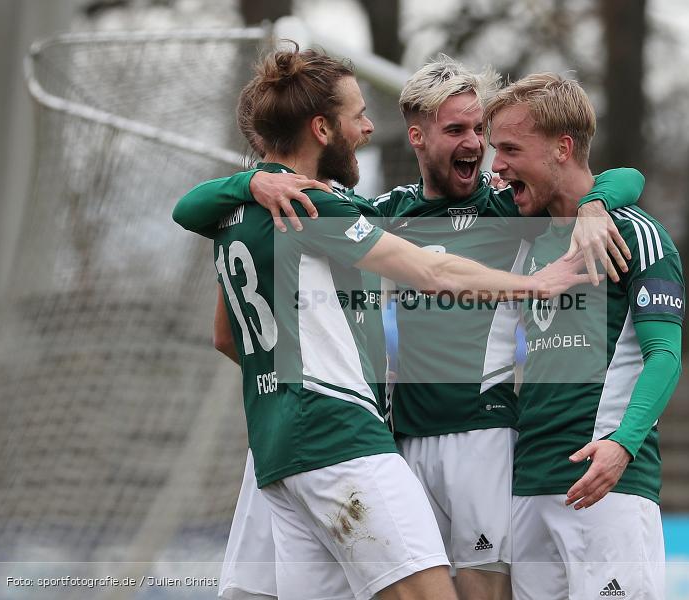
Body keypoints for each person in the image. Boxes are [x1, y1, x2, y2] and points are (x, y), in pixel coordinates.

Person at [174, 55, 644, 600]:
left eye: (480, 131)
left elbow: (623, 175)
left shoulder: (509, 208)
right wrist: (253, 182)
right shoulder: (376, 211)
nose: (476, 144)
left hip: (475, 433)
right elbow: (431, 270)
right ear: (417, 137)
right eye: (457, 130)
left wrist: (596, 205)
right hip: (383, 435)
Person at [483, 73, 683, 600]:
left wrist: (623, 446)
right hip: (528, 489)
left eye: (509, 149)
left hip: (607, 489)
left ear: (562, 149)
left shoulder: (635, 233)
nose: (496, 166)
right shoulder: (522, 235)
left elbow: (665, 357)